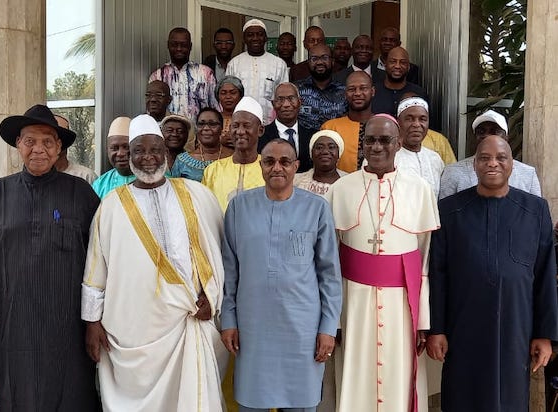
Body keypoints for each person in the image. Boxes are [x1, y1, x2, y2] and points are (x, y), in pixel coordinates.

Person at [81, 114, 228, 412]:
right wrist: (92, 322)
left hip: (187, 321)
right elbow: (96, 269)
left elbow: (217, 252)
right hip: (132, 327)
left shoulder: (197, 195)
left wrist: (212, 297)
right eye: (139, 151)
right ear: (130, 155)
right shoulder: (110, 206)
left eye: (154, 150)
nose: (147, 158)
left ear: (166, 153)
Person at [427, 135, 558, 412]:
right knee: (462, 395)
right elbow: (438, 274)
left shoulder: (535, 210)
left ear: (512, 164)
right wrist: (436, 329)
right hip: (462, 325)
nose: (493, 164)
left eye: (501, 158)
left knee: (509, 398)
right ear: (474, 165)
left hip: (517, 325)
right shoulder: (451, 210)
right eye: (484, 158)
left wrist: (544, 335)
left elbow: (546, 275)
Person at [326, 114, 439, 412]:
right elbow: (329, 262)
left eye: (385, 140)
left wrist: (424, 321)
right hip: (353, 304)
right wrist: (333, 318)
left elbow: (426, 261)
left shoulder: (420, 189)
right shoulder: (341, 189)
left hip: (403, 306)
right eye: (370, 140)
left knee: (399, 378)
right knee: (356, 374)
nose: (376, 147)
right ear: (362, 144)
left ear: (398, 143)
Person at [221, 138, 342, 412]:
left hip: (302, 328)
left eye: (285, 162)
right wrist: (228, 319)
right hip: (253, 327)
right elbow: (230, 270)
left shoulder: (317, 208)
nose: (277, 168)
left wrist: (327, 328)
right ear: (260, 165)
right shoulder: (239, 207)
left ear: (296, 166)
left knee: (301, 402)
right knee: (252, 402)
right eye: (269, 161)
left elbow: (330, 275)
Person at [0, 104, 101, 411]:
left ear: (58, 149)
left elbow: (101, 261)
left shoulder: (81, 194)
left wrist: (96, 322)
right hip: (12, 331)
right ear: (18, 145)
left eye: (48, 142)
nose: (38, 149)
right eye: (30, 141)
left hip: (68, 332)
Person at [439, 109, 541, 199]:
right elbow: (445, 213)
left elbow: (535, 213)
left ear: (506, 137)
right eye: (481, 131)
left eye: (494, 131)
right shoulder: (453, 172)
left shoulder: (527, 174)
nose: (487, 136)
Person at [202, 96, 266, 212]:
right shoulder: (213, 171)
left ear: (260, 130)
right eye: (235, 126)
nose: (240, 132)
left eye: (247, 126)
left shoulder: (269, 169)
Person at [149, 27, 219, 122]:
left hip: (198, 134)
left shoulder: (206, 74)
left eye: (183, 45)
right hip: (167, 134)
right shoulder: (157, 76)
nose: (179, 49)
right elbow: (151, 111)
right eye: (174, 44)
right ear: (168, 45)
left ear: (190, 46)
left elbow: (215, 108)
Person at [226, 19, 288, 125]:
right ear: (244, 39)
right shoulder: (234, 64)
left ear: (265, 38)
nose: (255, 38)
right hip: (241, 124)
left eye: (259, 34)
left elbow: (284, 96)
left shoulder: (279, 64)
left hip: (270, 124)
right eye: (250, 35)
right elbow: (228, 96)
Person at [258, 82, 318, 172]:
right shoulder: (261, 136)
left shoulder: (313, 136)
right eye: (280, 99)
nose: (286, 104)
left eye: (291, 99)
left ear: (299, 102)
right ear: (273, 104)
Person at [321, 71, 374, 173]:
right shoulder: (330, 128)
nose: (357, 93)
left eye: (363, 88)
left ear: (372, 91)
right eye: (352, 89)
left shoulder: (385, 125)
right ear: (345, 94)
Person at [395, 97, 444, 197]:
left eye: (422, 119)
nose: (416, 124)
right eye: (409, 119)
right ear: (398, 123)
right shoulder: (388, 158)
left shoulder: (435, 158)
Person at [171, 108, 233, 181]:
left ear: (221, 128)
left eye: (212, 124)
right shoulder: (182, 161)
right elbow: (175, 189)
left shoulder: (233, 157)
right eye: (201, 124)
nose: (206, 128)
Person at [297, 43, 347, 130]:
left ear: (332, 61)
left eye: (324, 58)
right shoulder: (297, 90)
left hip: (336, 141)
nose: (319, 62)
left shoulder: (344, 91)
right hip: (304, 142)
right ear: (308, 62)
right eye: (314, 59)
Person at [371, 47, 428, 116]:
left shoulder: (419, 93)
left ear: (408, 67)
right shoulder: (373, 91)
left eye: (403, 62)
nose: (397, 66)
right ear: (385, 65)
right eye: (393, 61)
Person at [92, 116, 136, 198]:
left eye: (126, 147)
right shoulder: (99, 185)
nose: (120, 153)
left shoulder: (154, 181)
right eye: (115, 148)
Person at [294, 130, 347, 196]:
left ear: (339, 153)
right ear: (311, 153)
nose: (325, 151)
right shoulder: (295, 181)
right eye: (319, 147)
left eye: (331, 147)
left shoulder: (350, 182)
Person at [53, 114, 98, 183]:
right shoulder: (36, 177)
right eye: (47, 140)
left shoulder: (86, 176)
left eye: (60, 137)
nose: (56, 143)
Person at [216, 75, 244, 150]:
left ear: (240, 96)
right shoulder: (213, 118)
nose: (228, 97)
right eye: (223, 93)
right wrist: (219, 141)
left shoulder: (247, 119)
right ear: (218, 96)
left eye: (233, 93)